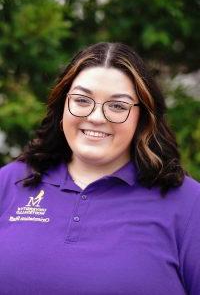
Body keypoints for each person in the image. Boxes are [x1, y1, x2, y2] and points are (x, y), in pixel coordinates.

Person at [0, 42, 200, 295]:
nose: (96, 117)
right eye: (82, 100)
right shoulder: (9, 183)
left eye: (118, 106)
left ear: (143, 118)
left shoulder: (189, 205)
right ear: (63, 105)